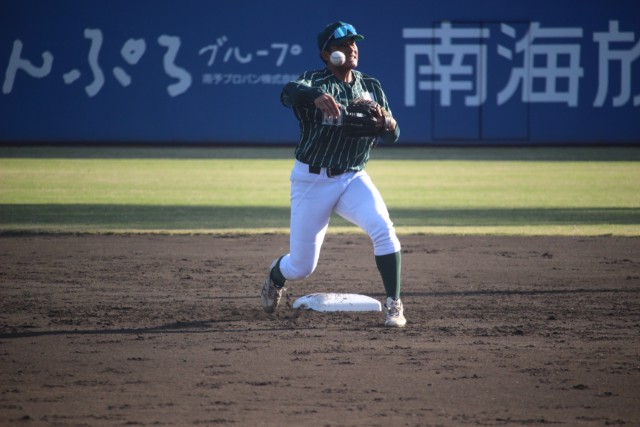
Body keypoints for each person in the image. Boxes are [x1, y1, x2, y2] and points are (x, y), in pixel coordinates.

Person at [260, 21, 406, 327]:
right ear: (326, 54)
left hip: (352, 177)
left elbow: (393, 135)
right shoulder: (314, 80)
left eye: (353, 42)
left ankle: (394, 304)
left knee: (383, 229)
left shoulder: (371, 86)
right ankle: (275, 276)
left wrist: (387, 124)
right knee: (301, 267)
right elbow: (287, 93)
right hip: (312, 179)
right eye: (342, 44)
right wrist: (314, 95)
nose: (351, 48)